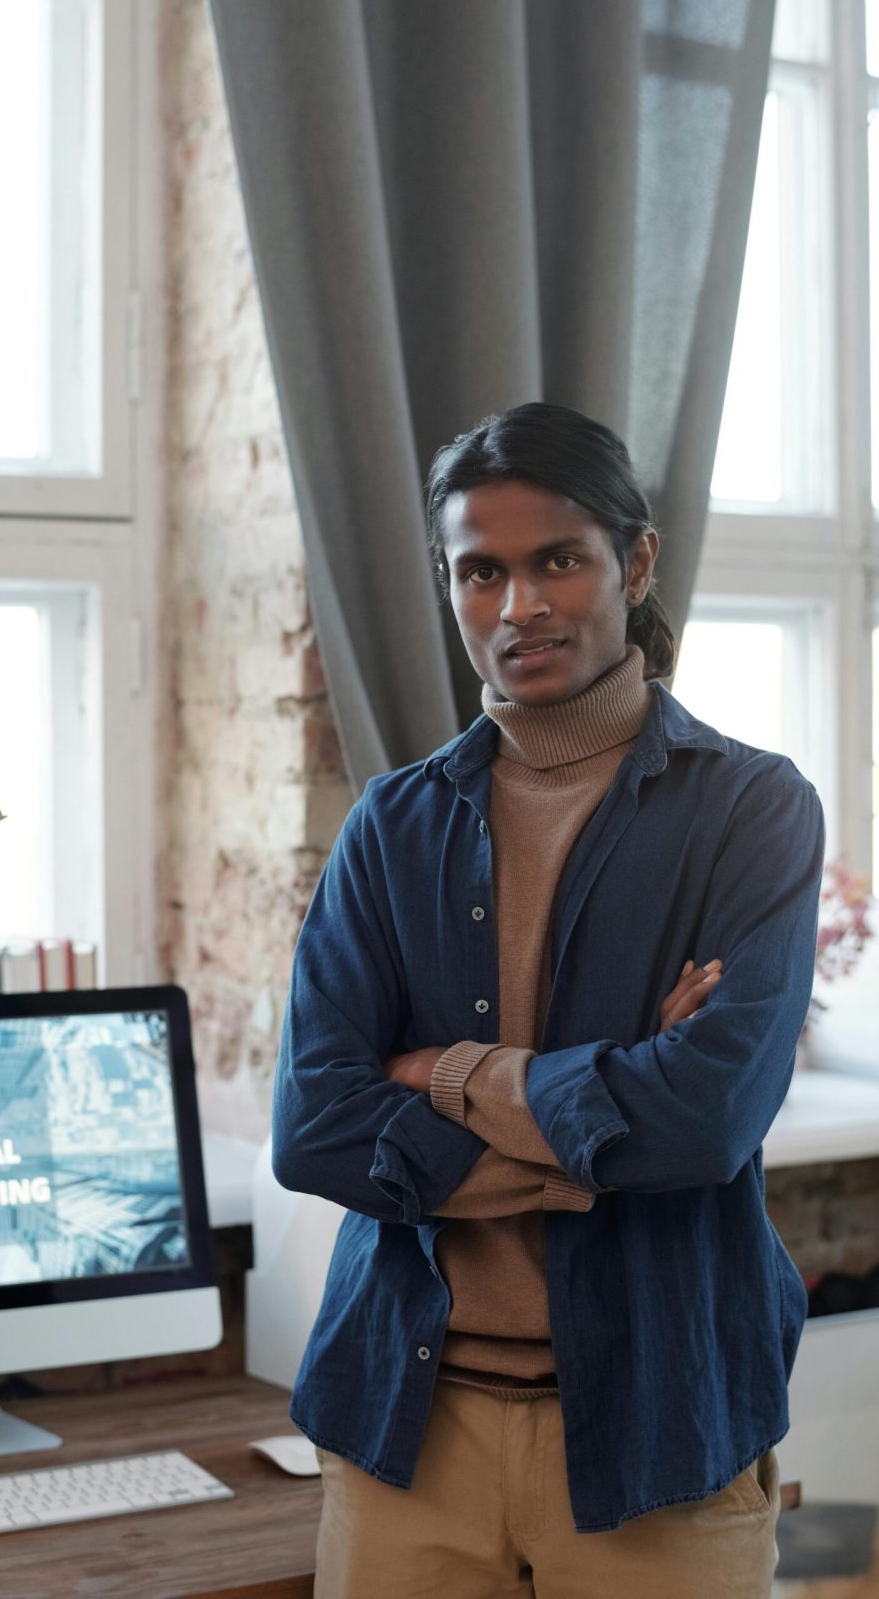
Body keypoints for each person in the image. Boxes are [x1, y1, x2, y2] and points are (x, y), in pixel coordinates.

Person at [272, 402, 824, 1598]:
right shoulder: (391, 826)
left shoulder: (753, 811)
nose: (518, 605)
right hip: (405, 1429)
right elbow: (314, 1128)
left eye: (555, 561)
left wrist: (448, 1073)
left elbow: (703, 1123)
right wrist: (602, 1123)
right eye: (482, 571)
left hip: (662, 1427)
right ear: (450, 588)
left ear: (633, 561)